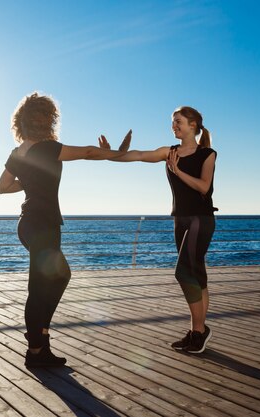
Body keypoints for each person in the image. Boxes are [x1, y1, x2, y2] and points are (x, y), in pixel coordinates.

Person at [0, 92, 131, 367]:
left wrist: (29, 180)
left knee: (59, 277)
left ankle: (40, 337)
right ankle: (35, 351)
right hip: (43, 224)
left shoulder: (18, 153)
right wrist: (117, 152)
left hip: (28, 223)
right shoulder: (47, 148)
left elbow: (3, 187)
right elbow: (88, 152)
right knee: (39, 286)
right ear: (47, 119)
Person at [104, 106, 217, 353]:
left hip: (201, 218)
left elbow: (204, 187)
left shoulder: (208, 153)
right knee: (197, 276)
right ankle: (198, 331)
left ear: (193, 125)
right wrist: (113, 153)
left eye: (178, 121)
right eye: (172, 122)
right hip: (181, 220)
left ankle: (198, 333)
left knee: (184, 273)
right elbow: (137, 156)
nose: (173, 126)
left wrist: (177, 170)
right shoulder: (169, 152)